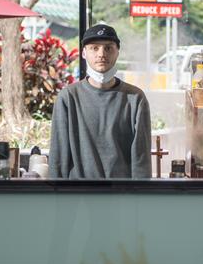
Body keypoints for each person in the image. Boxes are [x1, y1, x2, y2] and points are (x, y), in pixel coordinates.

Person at [49, 24, 152, 179]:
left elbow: (141, 159)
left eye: (108, 48)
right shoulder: (68, 97)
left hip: (121, 196)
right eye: (94, 48)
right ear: (83, 53)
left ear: (118, 52)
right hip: (78, 197)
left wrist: (138, 198)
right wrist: (57, 199)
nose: (101, 54)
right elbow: (58, 157)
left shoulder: (135, 98)